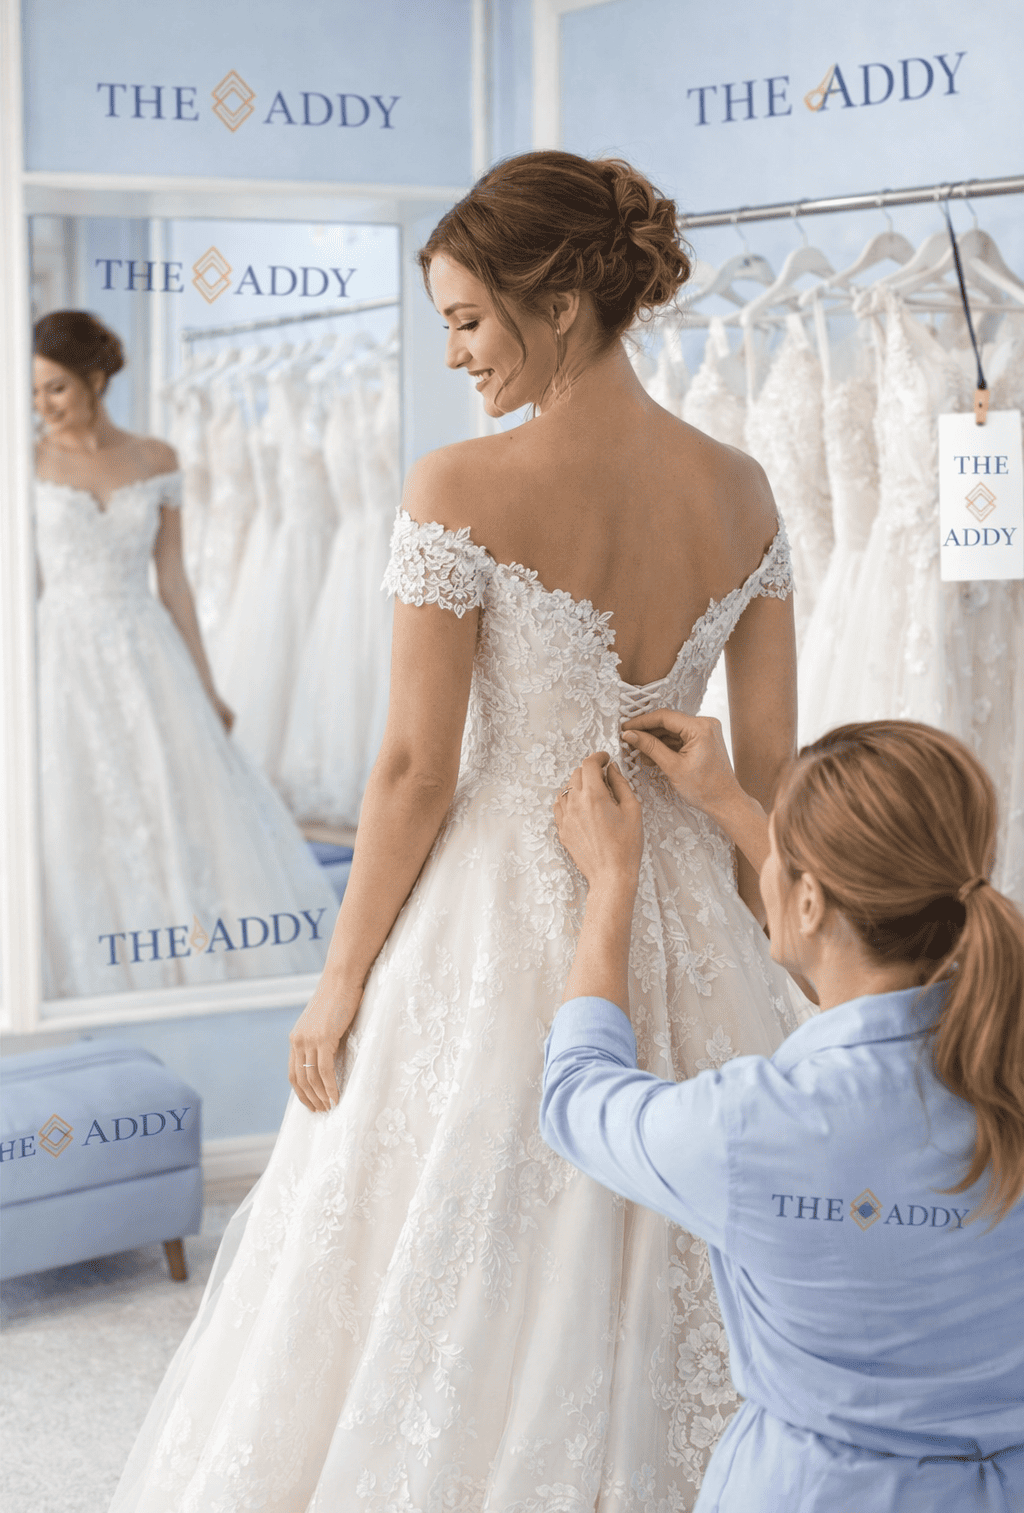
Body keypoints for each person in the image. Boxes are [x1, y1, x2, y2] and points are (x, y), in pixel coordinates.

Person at [110, 150, 803, 1511]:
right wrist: (785, 969)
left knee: (446, 1242)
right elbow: (763, 774)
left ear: (555, 300)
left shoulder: (459, 487)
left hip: (501, 917)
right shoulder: (746, 490)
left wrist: (341, 975)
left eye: (467, 319)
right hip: (691, 913)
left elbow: (417, 771)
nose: (454, 354)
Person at [542, 713, 1024, 1511]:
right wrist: (732, 803)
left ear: (804, 904)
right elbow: (865, 957)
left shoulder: (754, 1129)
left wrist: (610, 883)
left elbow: (576, 1093)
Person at [33, 311, 337, 996]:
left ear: (95, 378)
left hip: (146, 648)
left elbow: (173, 581)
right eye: (33, 393)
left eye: (54, 388)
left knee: (173, 796)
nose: (42, 406)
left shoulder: (155, 458)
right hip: (61, 654)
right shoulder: (23, 461)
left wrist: (206, 687)